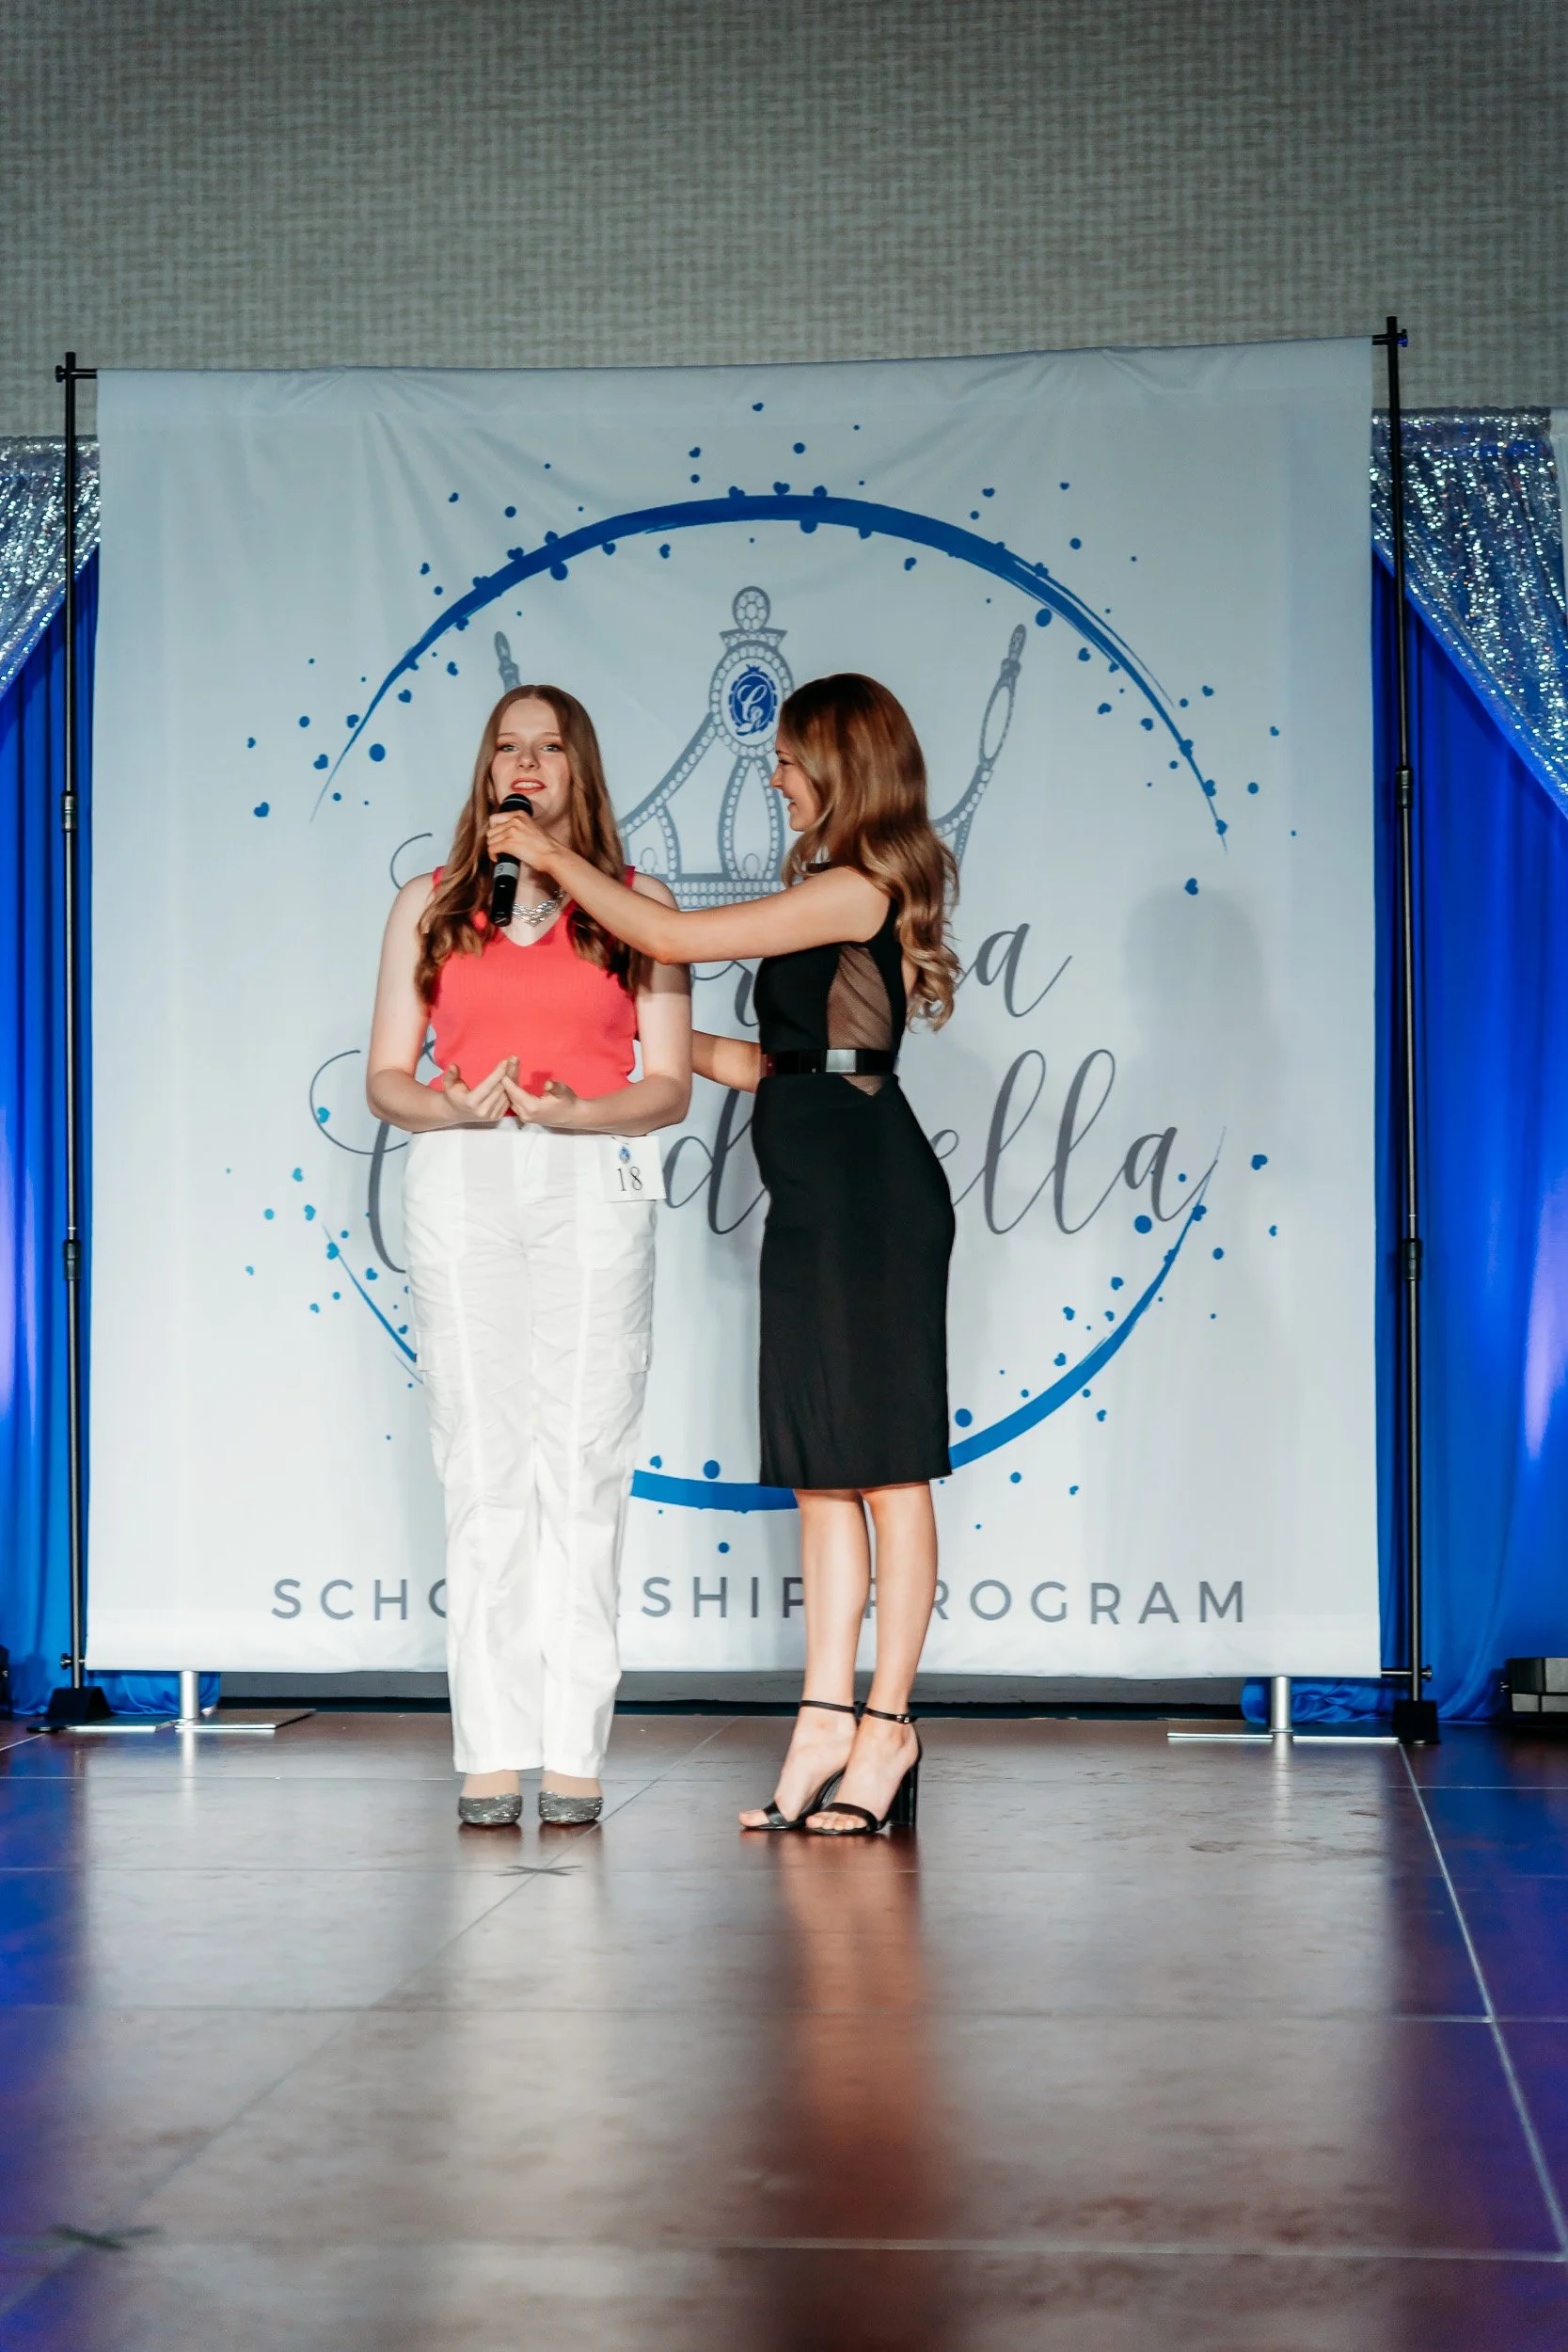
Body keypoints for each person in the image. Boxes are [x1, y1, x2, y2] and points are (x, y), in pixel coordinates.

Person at [489, 674, 957, 1836]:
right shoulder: (822, 889)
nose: (774, 772)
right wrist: (637, 1036)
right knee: (819, 1467)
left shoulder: (857, 886)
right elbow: (771, 1064)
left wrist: (550, 857)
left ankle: (886, 1730)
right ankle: (818, 1721)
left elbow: (670, 932)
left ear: (841, 767)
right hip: (807, 1190)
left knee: (888, 1466)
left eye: (792, 757)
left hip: (871, 1197)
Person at [367, 686, 690, 1829]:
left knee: (582, 1459)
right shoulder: (433, 903)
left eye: (548, 748)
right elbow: (386, 1078)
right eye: (508, 747)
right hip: (463, 1176)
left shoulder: (637, 907)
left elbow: (666, 1082)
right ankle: (493, 1749)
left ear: (578, 770)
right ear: (484, 769)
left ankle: (572, 1749)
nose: (526, 763)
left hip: (587, 1178)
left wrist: (569, 1112)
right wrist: (454, 1104)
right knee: (480, 1461)